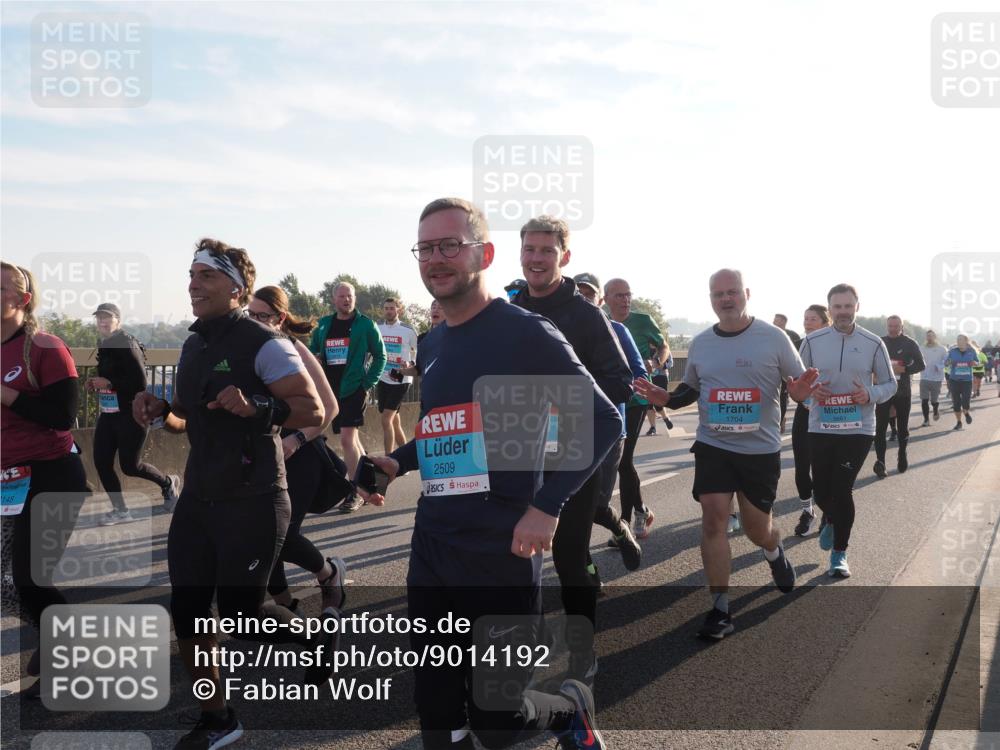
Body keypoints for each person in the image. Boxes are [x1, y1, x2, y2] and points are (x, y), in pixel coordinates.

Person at [364, 198, 620, 750]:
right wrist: (396, 462)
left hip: (501, 552)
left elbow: (604, 420)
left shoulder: (526, 333)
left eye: (450, 244)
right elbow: (443, 429)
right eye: (426, 248)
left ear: (485, 252)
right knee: (437, 716)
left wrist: (547, 504)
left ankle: (568, 710)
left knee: (498, 724)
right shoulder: (433, 343)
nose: (436, 258)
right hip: (433, 548)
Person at [132, 239, 335, 749]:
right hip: (200, 497)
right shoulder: (193, 343)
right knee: (189, 612)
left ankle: (312, 637)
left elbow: (312, 410)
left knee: (244, 617)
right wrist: (161, 411)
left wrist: (258, 408)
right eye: (192, 275)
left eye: (206, 276)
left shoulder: (264, 342)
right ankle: (219, 718)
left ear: (236, 288)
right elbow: (184, 417)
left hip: (254, 497)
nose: (193, 284)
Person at [635, 269, 817, 639]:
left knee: (756, 529)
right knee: (713, 521)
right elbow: (691, 389)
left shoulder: (774, 337)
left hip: (760, 451)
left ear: (746, 293)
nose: (726, 299)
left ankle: (774, 550)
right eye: (718, 294)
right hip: (714, 446)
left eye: (732, 292)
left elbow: (801, 386)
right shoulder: (702, 343)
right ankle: (720, 609)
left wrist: (799, 394)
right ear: (711, 299)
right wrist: (668, 399)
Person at [511, 218, 634, 683]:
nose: (536, 258)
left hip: (573, 457)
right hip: (516, 455)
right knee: (512, 556)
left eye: (546, 250)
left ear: (564, 256)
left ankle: (583, 655)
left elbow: (620, 381)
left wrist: (562, 397)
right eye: (529, 249)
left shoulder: (586, 314)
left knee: (567, 558)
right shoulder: (509, 308)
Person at [1, 262, 91, 695]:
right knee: (10, 583)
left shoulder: (44, 348)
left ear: (23, 300)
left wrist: (6, 394)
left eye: (1, 288)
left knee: (30, 577)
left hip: (52, 474)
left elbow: (62, 415)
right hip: (6, 479)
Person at [248, 286, 347, 617]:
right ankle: (286, 605)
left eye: (262, 316)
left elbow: (329, 408)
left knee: (283, 535)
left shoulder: (293, 349)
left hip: (302, 454)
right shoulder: (247, 351)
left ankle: (329, 574)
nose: (255, 322)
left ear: (279, 318)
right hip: (266, 455)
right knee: (263, 535)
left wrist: (296, 440)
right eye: (250, 315)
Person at [799, 284, 896, 578]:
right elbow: (795, 384)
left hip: (858, 428)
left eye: (848, 306)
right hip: (821, 426)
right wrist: (810, 395)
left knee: (842, 489)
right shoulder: (812, 342)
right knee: (821, 490)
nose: (843, 311)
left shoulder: (873, 342)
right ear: (830, 310)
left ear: (857, 306)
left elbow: (890, 384)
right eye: (837, 307)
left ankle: (840, 553)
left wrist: (870, 394)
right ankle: (828, 516)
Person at [573, 272, 645, 571]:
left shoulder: (616, 331)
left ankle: (621, 530)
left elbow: (637, 376)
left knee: (595, 506)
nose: (585, 299)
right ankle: (586, 573)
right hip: (565, 430)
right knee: (568, 506)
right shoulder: (555, 330)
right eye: (579, 293)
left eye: (590, 294)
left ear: (599, 300)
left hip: (608, 430)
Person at [87, 302, 180, 525]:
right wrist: (98, 384)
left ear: (118, 320)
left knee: (130, 466)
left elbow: (140, 382)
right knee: (101, 462)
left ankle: (167, 483)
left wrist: (109, 381)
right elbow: (114, 378)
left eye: (107, 317)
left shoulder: (126, 343)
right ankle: (121, 511)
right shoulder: (106, 343)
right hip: (110, 413)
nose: (102, 321)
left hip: (132, 413)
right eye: (99, 317)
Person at [308, 281, 386, 513]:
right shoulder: (323, 325)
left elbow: (380, 356)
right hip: (331, 391)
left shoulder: (365, 325)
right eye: (342, 296)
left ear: (354, 298)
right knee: (354, 442)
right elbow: (312, 352)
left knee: (346, 439)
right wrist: (316, 358)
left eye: (350, 296)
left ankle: (355, 492)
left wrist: (367, 383)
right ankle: (371, 484)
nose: (346, 300)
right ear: (334, 299)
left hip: (354, 388)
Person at [604, 277, 665, 540]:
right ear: (605, 299)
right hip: (610, 399)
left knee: (624, 460)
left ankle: (626, 523)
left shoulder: (642, 321)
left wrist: (655, 362)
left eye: (628, 295)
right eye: (618, 295)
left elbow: (663, 347)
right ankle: (640, 509)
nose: (625, 300)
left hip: (638, 398)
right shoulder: (599, 321)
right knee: (616, 461)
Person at [792, 304, 831, 536]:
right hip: (804, 412)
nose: (807, 322)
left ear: (826, 323)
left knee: (823, 468)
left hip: (829, 414)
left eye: (813, 319)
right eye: (805, 318)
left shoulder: (836, 346)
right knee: (801, 466)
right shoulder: (796, 347)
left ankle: (828, 511)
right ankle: (808, 511)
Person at [873, 316, 924, 476]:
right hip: (882, 391)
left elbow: (921, 364)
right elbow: (869, 363)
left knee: (902, 427)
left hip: (902, 391)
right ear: (886, 326)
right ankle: (881, 462)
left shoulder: (909, 343)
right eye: (890, 326)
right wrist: (873, 374)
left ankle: (902, 454)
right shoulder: (879, 342)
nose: (893, 329)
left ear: (902, 326)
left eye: (896, 326)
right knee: (880, 428)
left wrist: (905, 370)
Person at [377, 297, 419, 453]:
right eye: (386, 308)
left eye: (392, 308)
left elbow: (418, 351)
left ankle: (389, 458)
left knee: (386, 419)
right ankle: (405, 455)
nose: (389, 311)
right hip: (383, 377)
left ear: (398, 310)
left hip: (401, 379)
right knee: (394, 421)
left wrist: (411, 363)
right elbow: (372, 350)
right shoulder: (377, 328)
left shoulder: (408, 330)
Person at [773, 313, 803, 434]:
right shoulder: (769, 333)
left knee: (783, 397)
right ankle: (778, 420)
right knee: (776, 397)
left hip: (786, 373)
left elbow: (797, 356)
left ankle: (781, 418)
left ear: (784, 323)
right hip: (774, 372)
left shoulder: (792, 335)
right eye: (775, 321)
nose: (776, 324)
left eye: (779, 322)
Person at [945, 335, 977, 429]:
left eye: (961, 340)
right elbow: (946, 362)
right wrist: (948, 362)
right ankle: (959, 422)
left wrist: (975, 363)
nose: (958, 342)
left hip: (967, 381)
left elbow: (977, 361)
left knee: (965, 402)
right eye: (957, 340)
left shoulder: (971, 351)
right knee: (956, 403)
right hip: (954, 380)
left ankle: (966, 412)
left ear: (966, 341)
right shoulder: (952, 351)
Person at [919, 330, 948, 426]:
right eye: (928, 336)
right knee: (924, 400)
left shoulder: (942, 349)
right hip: (924, 377)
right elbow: (916, 359)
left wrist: (939, 366)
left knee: (934, 401)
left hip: (936, 378)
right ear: (926, 337)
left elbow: (947, 361)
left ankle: (935, 409)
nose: (929, 338)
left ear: (935, 337)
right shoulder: (921, 348)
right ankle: (926, 420)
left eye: (931, 336)